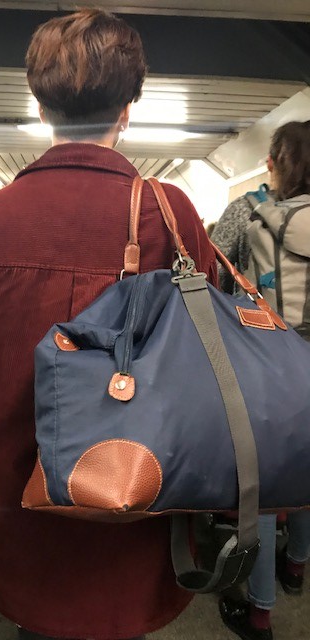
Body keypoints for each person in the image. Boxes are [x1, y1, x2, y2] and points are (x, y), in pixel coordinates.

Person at [0, 9, 218, 640]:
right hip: (143, 507)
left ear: (39, 107)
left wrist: (9, 451)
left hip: (28, 520)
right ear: (128, 110)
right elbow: (207, 363)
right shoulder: (172, 216)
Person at [213, 120, 310, 640]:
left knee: (266, 484)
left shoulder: (244, 211)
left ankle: (260, 613)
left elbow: (209, 277)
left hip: (264, 366)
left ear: (271, 162)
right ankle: (296, 568)